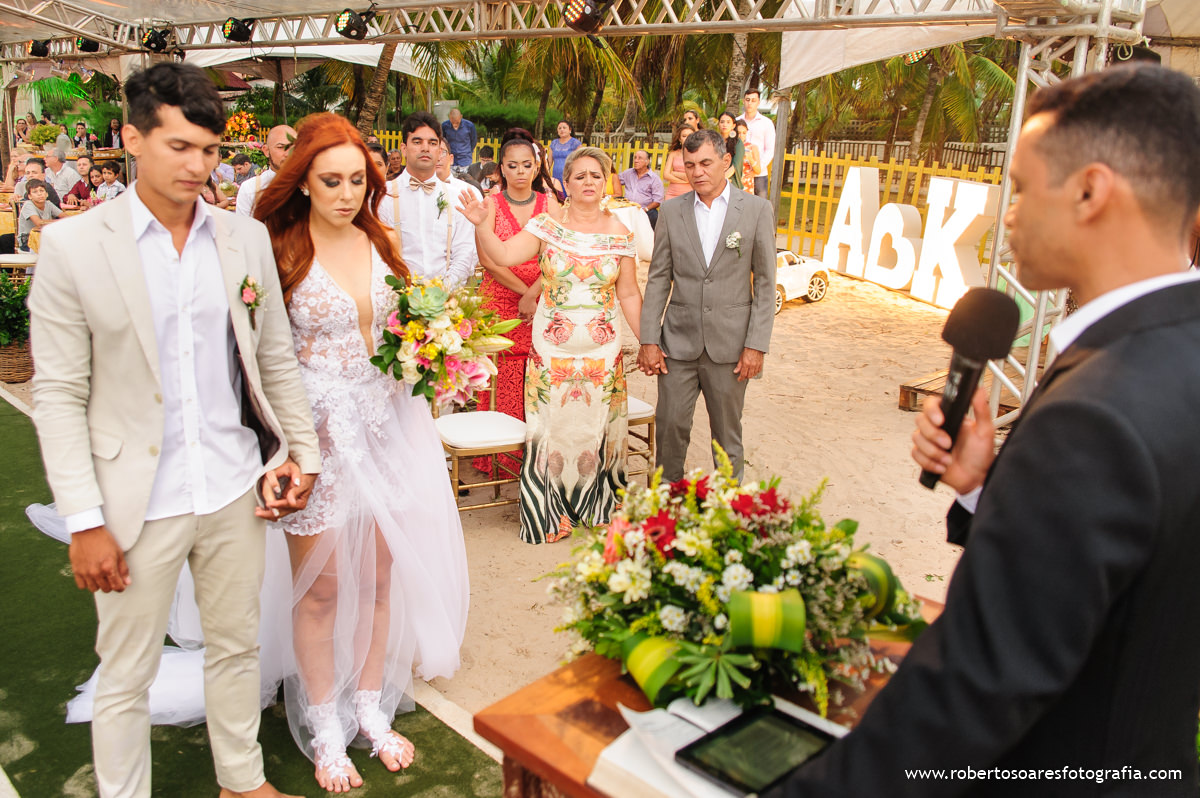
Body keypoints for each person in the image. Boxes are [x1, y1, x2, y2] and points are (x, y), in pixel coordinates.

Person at [778, 63, 1200, 798]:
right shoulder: (1174, 349)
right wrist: (988, 489)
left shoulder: (1090, 417)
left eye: (1025, 188)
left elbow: (964, 699)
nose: (1009, 214)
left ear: (1092, 192)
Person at [27, 60, 316, 798]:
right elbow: (58, 394)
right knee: (126, 671)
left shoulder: (243, 238)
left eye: (211, 150)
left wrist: (299, 453)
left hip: (230, 485)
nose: (198, 165)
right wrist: (85, 520)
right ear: (132, 138)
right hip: (133, 502)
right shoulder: (71, 246)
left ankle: (242, 783)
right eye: (180, 146)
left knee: (236, 649)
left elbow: (273, 357)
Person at [254, 111, 468, 794]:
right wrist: (281, 448)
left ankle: (370, 709)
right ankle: (324, 728)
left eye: (356, 179)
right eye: (331, 180)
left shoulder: (385, 241)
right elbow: (258, 358)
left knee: (376, 580)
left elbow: (411, 330)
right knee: (320, 590)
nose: (346, 193)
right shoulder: (277, 251)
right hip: (310, 442)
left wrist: (434, 354)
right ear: (304, 182)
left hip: (383, 428)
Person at [459, 146, 643, 544]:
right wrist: (481, 227)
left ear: (607, 180)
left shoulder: (621, 233)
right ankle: (549, 512)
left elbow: (628, 294)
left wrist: (649, 342)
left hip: (602, 352)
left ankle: (596, 506)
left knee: (595, 428)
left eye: (596, 175)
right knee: (551, 428)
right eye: (580, 176)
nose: (589, 182)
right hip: (551, 351)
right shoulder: (547, 226)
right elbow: (504, 254)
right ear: (567, 183)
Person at [638, 129, 775, 482]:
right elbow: (657, 279)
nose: (697, 172)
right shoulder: (670, 212)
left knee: (727, 436)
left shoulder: (757, 211)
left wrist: (756, 345)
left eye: (705, 163)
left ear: (726, 163)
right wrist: (649, 341)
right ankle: (666, 506)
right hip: (677, 346)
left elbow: (764, 283)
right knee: (669, 428)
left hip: (731, 347)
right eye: (689, 165)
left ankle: (728, 511)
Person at [470, 129, 562, 478]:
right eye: (513, 165)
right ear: (501, 169)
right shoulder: (490, 204)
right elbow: (489, 260)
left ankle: (536, 453)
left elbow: (558, 256)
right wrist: (522, 292)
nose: (521, 171)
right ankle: (497, 456)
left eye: (527, 164)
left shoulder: (550, 204)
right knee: (500, 371)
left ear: (537, 166)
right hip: (500, 298)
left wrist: (535, 292)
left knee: (537, 372)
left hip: (543, 294)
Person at [377, 111, 479, 289]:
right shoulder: (382, 196)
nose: (425, 148)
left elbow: (464, 251)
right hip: (394, 298)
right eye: (417, 142)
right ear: (404, 148)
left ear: (440, 150)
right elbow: (376, 255)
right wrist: (400, 293)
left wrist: (442, 291)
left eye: (432, 143)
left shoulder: (457, 196)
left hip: (447, 300)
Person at [235, 125, 297, 218]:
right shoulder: (250, 188)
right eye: (281, 147)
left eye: (293, 147)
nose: (288, 154)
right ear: (266, 151)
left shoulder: (311, 184)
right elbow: (245, 230)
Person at [737, 88, 775, 199]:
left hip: (759, 175)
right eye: (747, 100)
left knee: (759, 208)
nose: (750, 103)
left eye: (753, 100)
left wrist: (757, 169)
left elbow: (770, 150)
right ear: (743, 101)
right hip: (740, 174)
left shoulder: (766, 123)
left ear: (758, 102)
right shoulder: (737, 121)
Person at [617, 149, 665, 228]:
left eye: (640, 158)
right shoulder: (627, 173)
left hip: (645, 210)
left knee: (654, 215)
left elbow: (658, 201)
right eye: (635, 158)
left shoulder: (654, 179)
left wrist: (645, 209)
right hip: (627, 208)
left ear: (647, 161)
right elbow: (614, 181)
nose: (636, 160)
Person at [18, 178, 61, 250]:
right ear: (30, 196)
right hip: (28, 240)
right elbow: (39, 223)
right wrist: (59, 222)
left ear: (46, 194)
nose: (39, 194)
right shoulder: (28, 205)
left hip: (45, 237)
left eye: (42, 191)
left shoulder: (48, 204)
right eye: (35, 192)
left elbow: (66, 216)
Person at [662, 122, 696, 200]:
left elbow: (689, 177)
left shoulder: (697, 155)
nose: (687, 138)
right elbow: (666, 175)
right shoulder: (673, 154)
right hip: (672, 193)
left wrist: (674, 173)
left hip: (690, 193)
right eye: (684, 136)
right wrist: (684, 182)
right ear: (680, 139)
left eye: (690, 136)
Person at [441, 108, 477, 173]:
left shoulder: (469, 126)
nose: (455, 125)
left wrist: (468, 151)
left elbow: (473, 140)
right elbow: (443, 140)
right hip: (451, 158)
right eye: (453, 122)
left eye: (457, 122)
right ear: (449, 118)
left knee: (465, 180)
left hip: (465, 159)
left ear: (461, 117)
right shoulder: (444, 126)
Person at [548, 120, 582, 188]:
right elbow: (549, 162)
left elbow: (580, 161)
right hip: (556, 177)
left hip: (569, 176)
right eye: (559, 128)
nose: (562, 130)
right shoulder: (554, 143)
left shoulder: (575, 143)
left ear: (570, 130)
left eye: (564, 128)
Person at [717, 111, 744, 185]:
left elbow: (735, 166)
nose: (724, 125)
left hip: (731, 182)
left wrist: (721, 179)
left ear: (733, 125)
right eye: (722, 122)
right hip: (715, 181)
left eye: (728, 122)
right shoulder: (714, 141)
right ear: (718, 124)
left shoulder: (738, 143)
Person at [736, 119, 760, 194]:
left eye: (744, 133)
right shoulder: (730, 146)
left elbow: (758, 170)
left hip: (747, 184)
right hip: (734, 182)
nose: (741, 135)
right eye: (738, 133)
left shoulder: (752, 147)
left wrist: (750, 159)